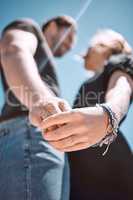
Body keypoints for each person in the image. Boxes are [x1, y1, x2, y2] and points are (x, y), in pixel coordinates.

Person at [41, 29, 133, 200]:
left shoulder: (119, 61)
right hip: (78, 167)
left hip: (107, 162)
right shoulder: (92, 79)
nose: (84, 53)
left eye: (90, 47)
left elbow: (121, 91)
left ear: (105, 46)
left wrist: (108, 115)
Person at [0, 15, 77, 200]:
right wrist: (41, 100)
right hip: (31, 128)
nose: (71, 44)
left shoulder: (44, 60)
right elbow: (13, 49)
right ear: (52, 26)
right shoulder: (29, 27)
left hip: (43, 136)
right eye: (70, 35)